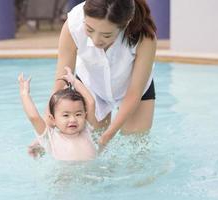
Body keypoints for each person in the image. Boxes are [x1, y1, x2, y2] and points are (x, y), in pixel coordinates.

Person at [50, 0, 157, 149]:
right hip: (91, 85)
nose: (95, 40)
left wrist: (108, 135)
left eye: (106, 35)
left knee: (137, 149)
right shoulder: (73, 23)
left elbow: (134, 92)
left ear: (125, 25)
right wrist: (47, 130)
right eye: (89, 30)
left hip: (133, 91)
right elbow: (61, 82)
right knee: (91, 148)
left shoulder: (144, 35)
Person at [18, 71, 98, 161]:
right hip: (65, 175)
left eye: (78, 114)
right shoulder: (50, 138)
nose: (73, 119)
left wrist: (75, 82)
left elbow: (91, 103)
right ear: (53, 119)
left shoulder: (86, 129)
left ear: (85, 115)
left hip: (94, 174)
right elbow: (34, 117)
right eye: (66, 115)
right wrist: (25, 94)